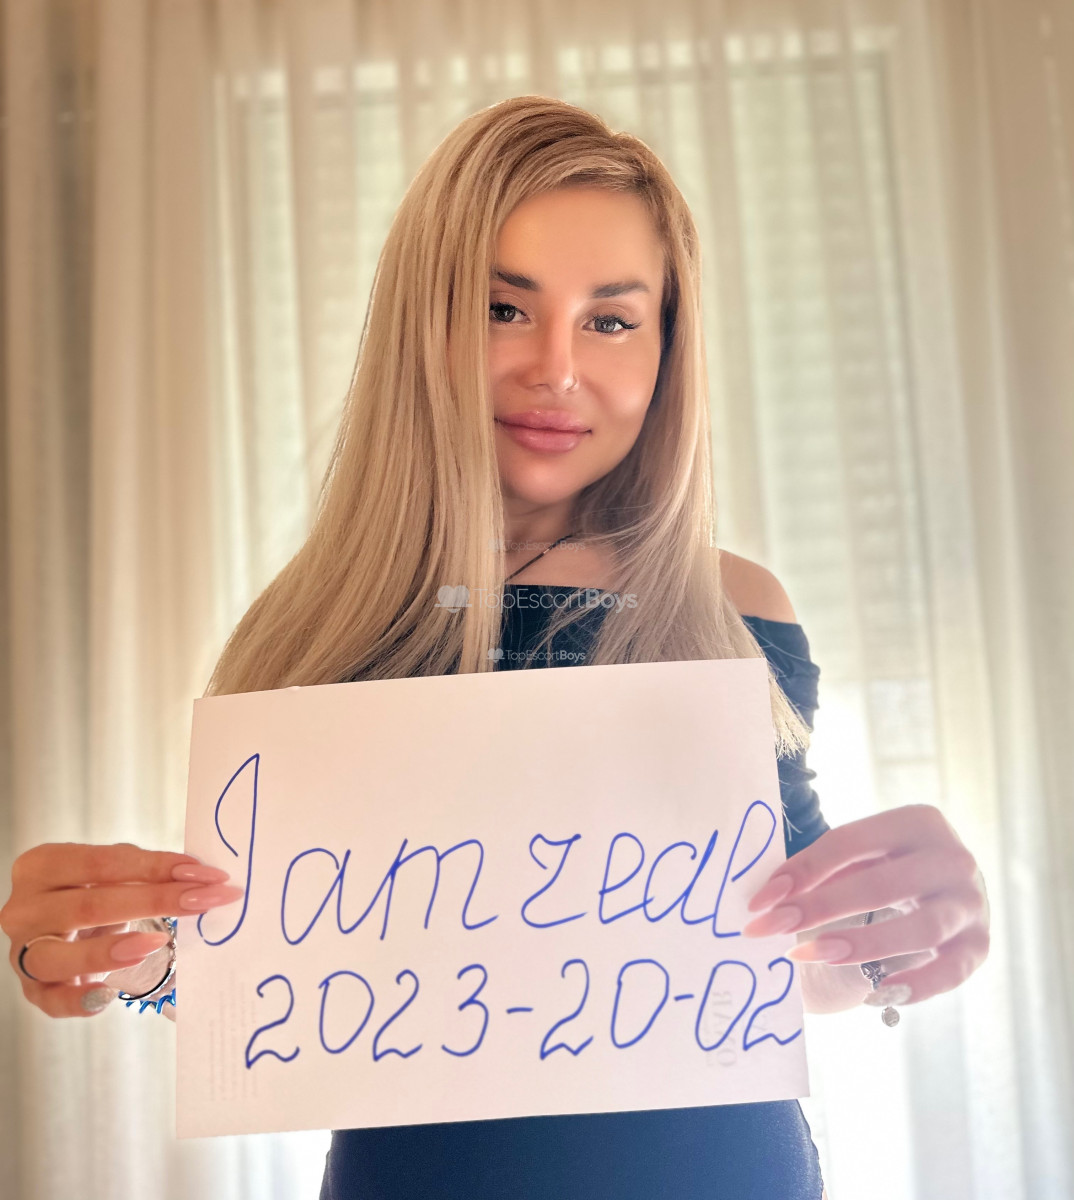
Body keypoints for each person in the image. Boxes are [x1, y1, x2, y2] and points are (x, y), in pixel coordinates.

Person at [0, 95, 990, 1199]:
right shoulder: (326, 617)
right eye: (502, 307)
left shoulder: (730, 604)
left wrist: (901, 929)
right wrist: (118, 953)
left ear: (668, 351)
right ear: (421, 325)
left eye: (611, 321)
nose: (556, 369)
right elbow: (289, 991)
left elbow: (785, 960)